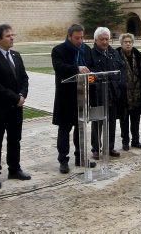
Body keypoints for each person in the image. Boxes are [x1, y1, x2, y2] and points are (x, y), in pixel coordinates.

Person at [0, 24, 31, 190]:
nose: (12, 38)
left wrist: (22, 95)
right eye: (8, 35)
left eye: (12, 35)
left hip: (16, 108)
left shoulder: (16, 55)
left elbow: (24, 78)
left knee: (15, 139)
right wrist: (15, 97)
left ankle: (14, 169)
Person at [51, 24, 92, 174]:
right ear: (69, 36)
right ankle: (63, 160)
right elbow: (59, 67)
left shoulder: (86, 50)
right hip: (65, 97)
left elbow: (91, 67)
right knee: (64, 130)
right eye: (77, 38)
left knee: (80, 129)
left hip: (82, 95)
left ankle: (80, 157)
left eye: (82, 37)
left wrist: (92, 76)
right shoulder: (58, 50)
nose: (80, 40)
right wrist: (77, 68)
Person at [85, 27, 127, 159]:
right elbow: (88, 75)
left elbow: (122, 69)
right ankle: (96, 149)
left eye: (106, 39)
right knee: (97, 122)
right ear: (95, 40)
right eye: (102, 39)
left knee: (111, 122)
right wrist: (94, 81)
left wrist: (120, 84)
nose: (104, 42)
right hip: (97, 95)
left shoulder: (114, 53)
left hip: (113, 94)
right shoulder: (90, 54)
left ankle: (110, 147)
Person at [117, 33, 141, 150]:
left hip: (137, 93)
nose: (128, 44)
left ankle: (135, 140)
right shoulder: (116, 55)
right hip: (123, 94)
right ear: (121, 43)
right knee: (124, 119)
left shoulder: (138, 55)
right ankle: (125, 141)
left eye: (130, 42)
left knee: (135, 119)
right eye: (125, 42)